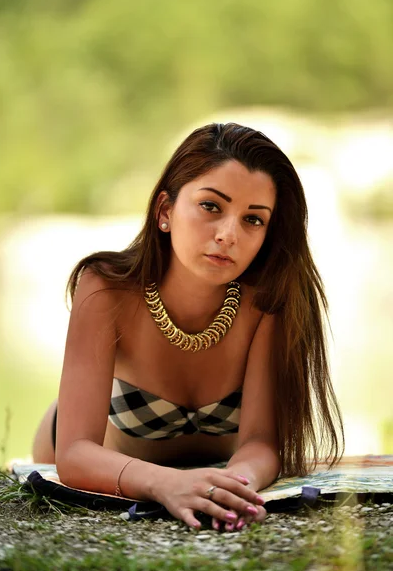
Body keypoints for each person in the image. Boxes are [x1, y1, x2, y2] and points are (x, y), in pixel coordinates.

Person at [32, 122, 345, 532]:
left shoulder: (269, 301)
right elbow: (73, 453)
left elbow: (261, 441)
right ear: (165, 211)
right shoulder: (105, 288)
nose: (228, 235)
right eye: (211, 206)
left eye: (253, 219)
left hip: (210, 471)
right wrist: (167, 483)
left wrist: (234, 487)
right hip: (84, 451)